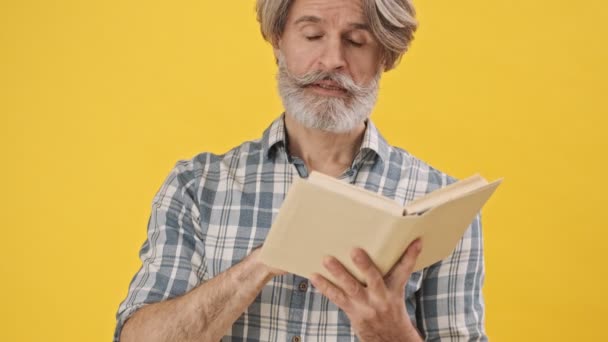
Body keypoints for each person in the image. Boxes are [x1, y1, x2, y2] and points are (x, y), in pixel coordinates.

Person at [115, 0, 487, 341]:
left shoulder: (440, 205)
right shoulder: (197, 187)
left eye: (356, 41)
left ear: (385, 56)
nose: (331, 61)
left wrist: (393, 333)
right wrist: (263, 261)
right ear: (278, 41)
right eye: (312, 35)